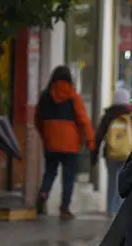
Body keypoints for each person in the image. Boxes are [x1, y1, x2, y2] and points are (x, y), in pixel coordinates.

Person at [35, 66, 96, 220]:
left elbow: (38, 119)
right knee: (68, 177)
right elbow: (83, 120)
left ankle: (43, 194)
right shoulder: (73, 97)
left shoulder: (45, 96)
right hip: (70, 144)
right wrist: (90, 142)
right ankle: (64, 209)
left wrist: (45, 135)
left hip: (51, 142)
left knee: (50, 172)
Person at [93, 88, 132, 217]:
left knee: (112, 181)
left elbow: (99, 135)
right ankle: (120, 211)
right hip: (128, 154)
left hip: (111, 153)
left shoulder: (109, 115)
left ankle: (110, 210)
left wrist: (94, 153)